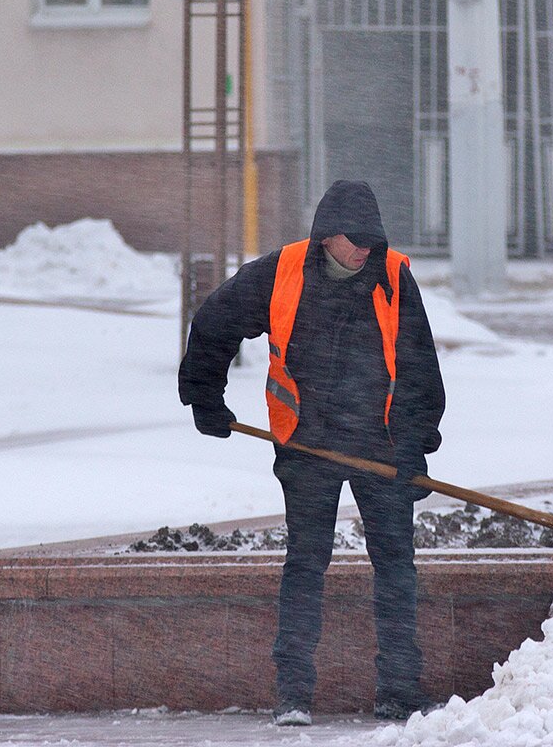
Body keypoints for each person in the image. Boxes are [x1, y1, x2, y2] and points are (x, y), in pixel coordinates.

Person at [178, 180, 445, 725]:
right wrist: (205, 398)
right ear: (326, 236)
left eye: (372, 238)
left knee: (395, 565)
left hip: (381, 443)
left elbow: (419, 366)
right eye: (354, 239)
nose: (364, 249)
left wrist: (417, 448)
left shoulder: (394, 276)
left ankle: (398, 689)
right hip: (307, 442)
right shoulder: (282, 271)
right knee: (306, 562)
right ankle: (294, 693)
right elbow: (214, 323)